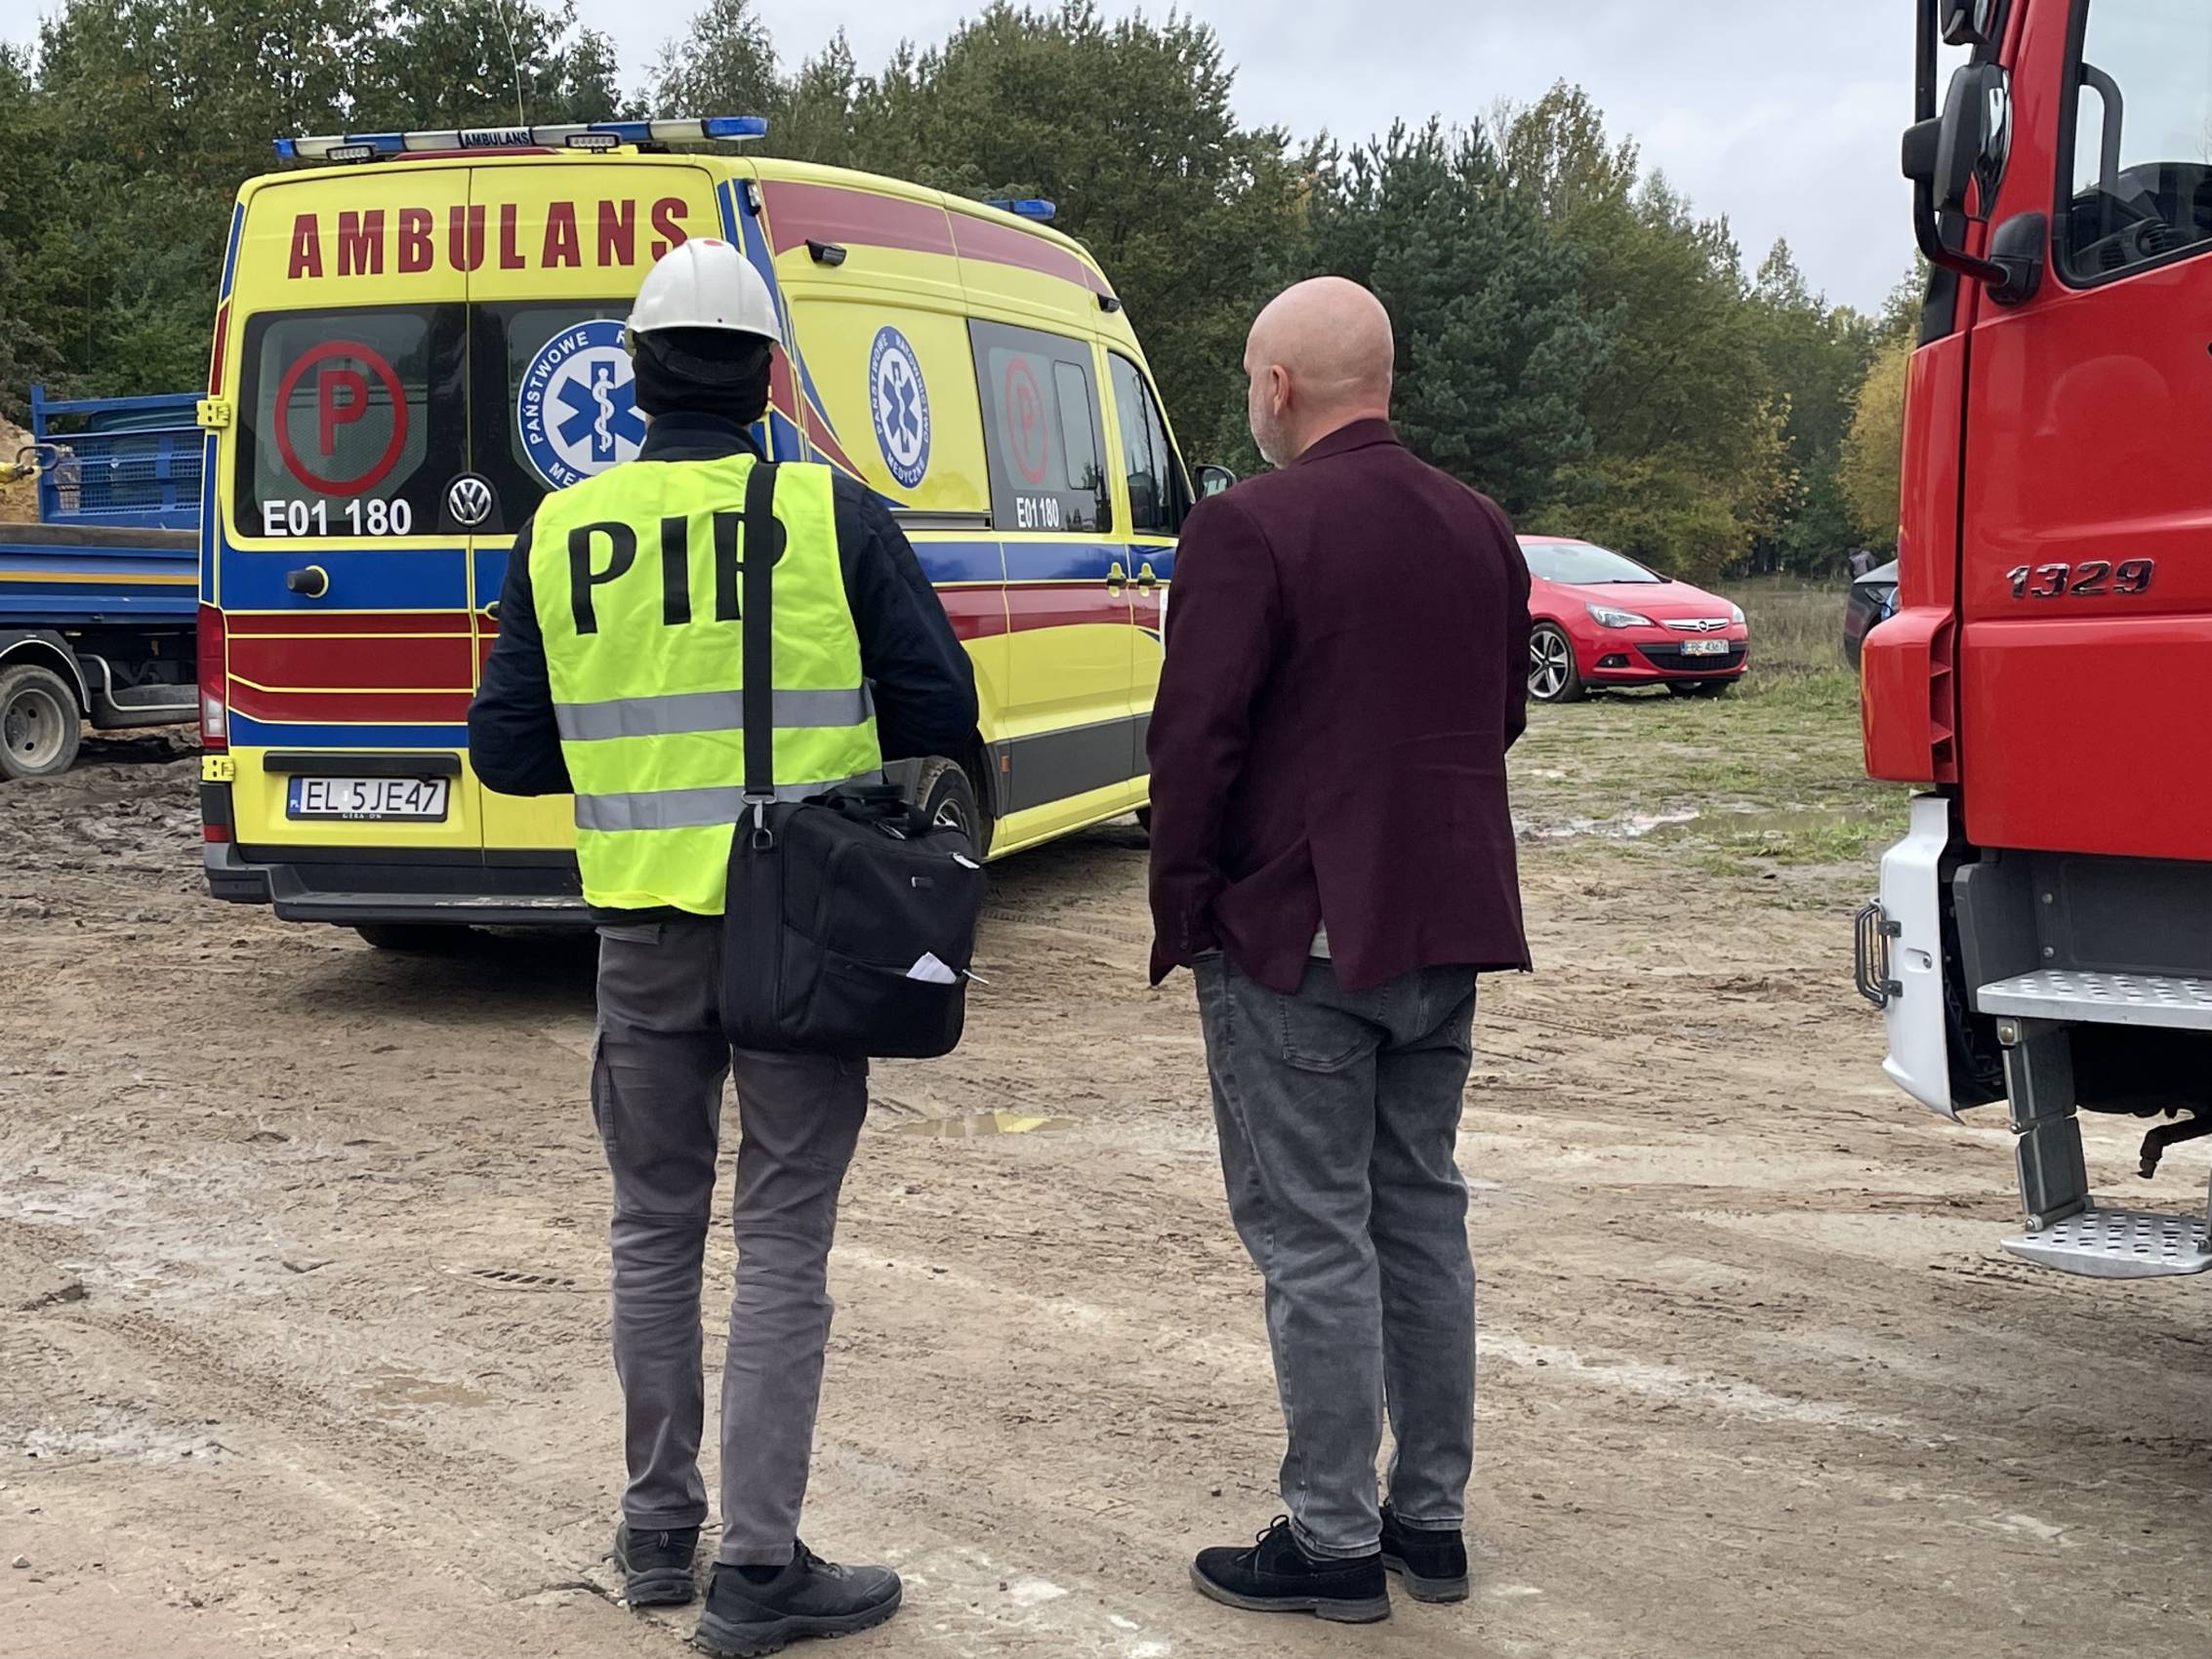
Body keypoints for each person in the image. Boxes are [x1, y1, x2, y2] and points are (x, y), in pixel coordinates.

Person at [468, 238, 977, 1657]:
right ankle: (757, 1569)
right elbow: (940, 709)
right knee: (783, 1236)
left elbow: (506, 754)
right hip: (805, 937)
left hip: (643, 933)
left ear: (635, 378)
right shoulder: (831, 514)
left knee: (652, 1228)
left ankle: (655, 1533)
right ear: (766, 379)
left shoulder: (564, 530)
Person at [1146, 276, 1532, 1624]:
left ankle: (1329, 1540)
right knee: (1419, 1214)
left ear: (1277, 387)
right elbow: (1498, 715)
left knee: (1314, 1237)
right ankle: (1429, 1521)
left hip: (1295, 935)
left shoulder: (1246, 524)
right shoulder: (1480, 526)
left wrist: (1187, 907)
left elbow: (1193, 743)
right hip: (1444, 923)